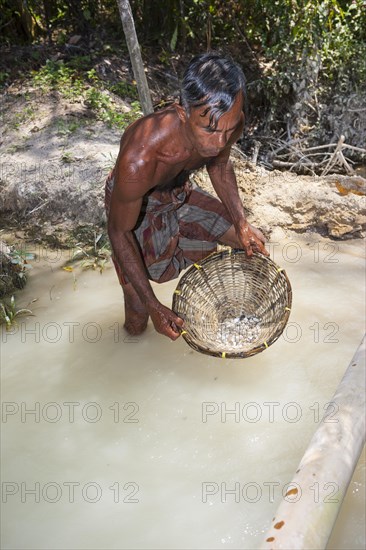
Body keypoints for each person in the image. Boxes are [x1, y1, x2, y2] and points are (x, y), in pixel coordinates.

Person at [105, 51, 268, 341]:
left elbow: (219, 165)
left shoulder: (226, 122)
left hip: (180, 192)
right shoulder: (140, 159)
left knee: (249, 243)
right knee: (138, 309)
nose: (219, 142)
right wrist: (155, 305)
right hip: (136, 205)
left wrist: (241, 222)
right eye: (208, 130)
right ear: (182, 112)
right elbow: (119, 232)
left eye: (228, 130)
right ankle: (129, 353)